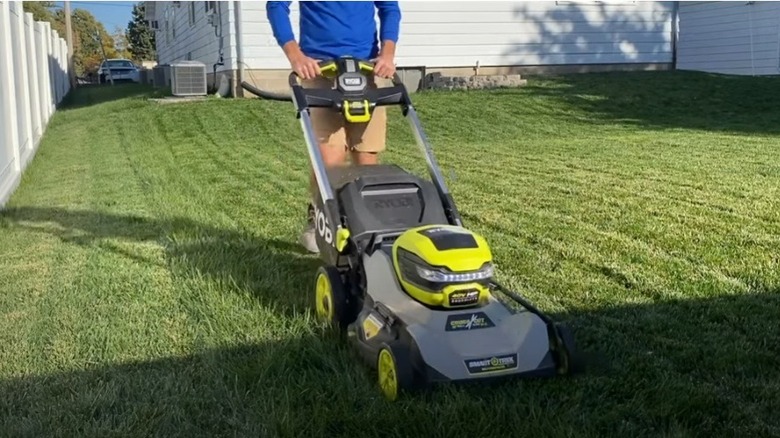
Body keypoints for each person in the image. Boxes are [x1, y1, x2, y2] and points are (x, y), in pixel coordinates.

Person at [266, 1, 402, 253]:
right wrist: (296, 57)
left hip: (367, 68)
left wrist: (387, 54)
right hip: (320, 70)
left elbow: (389, 7)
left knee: (366, 159)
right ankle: (320, 219)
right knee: (330, 161)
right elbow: (276, 6)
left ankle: (365, 223)